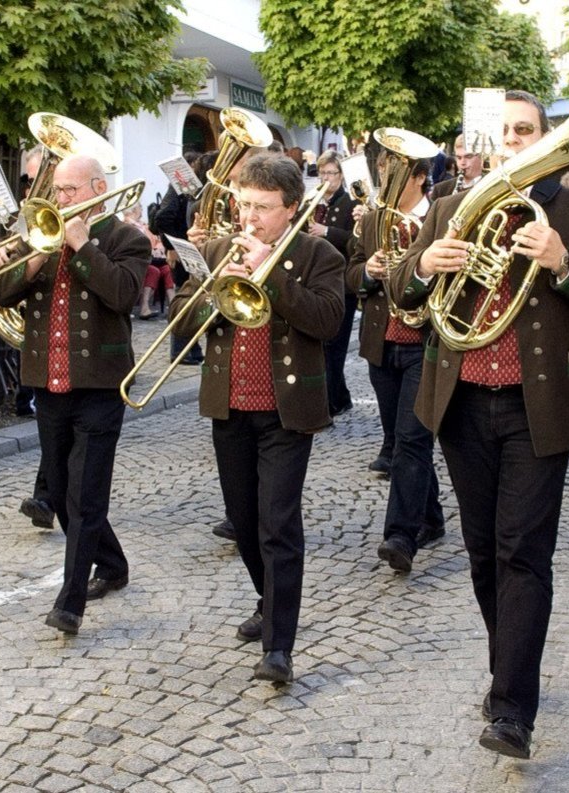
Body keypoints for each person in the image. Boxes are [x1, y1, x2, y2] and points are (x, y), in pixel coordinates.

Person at [393, 89, 569, 758]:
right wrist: (424, 266)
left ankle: (512, 706)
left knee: (522, 549)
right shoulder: (450, 206)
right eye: (504, 132)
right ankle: (513, 667)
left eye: (526, 130)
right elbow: (398, 291)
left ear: (546, 137)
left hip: (541, 406)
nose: (514, 141)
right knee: (482, 550)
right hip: (463, 401)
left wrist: (563, 260)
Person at [169, 152, 342, 684]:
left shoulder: (318, 254)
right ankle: (268, 601)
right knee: (244, 522)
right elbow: (180, 316)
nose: (250, 218)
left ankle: (279, 646)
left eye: (263, 208)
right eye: (245, 205)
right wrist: (212, 293)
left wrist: (270, 272)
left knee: (277, 524)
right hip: (230, 404)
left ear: (290, 208)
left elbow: (327, 321)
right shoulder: (219, 248)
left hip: (286, 411)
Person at [0, 154, 144, 635]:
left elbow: (122, 295)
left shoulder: (126, 239)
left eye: (70, 190)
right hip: (48, 383)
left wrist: (81, 245)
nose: (60, 199)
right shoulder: (40, 235)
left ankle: (70, 602)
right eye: (57, 190)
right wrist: (30, 258)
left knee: (86, 494)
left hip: (101, 386)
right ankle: (113, 563)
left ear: (98, 186)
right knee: (58, 492)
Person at [349, 144, 445, 573]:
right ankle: (432, 516)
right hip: (381, 341)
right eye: (382, 172)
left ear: (421, 177)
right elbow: (348, 275)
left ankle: (400, 535)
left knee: (411, 439)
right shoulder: (372, 220)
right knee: (401, 435)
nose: (385, 182)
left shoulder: (442, 217)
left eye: (396, 174)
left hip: (425, 343)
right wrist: (368, 271)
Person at [309, 152, 358, 419]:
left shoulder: (350, 202)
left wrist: (326, 232)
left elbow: (355, 240)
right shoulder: (314, 200)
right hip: (316, 279)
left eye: (331, 174)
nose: (326, 179)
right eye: (323, 173)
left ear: (341, 176)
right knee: (323, 343)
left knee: (335, 345)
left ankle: (330, 403)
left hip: (342, 282)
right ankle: (341, 397)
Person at [433, 134, 486, 200]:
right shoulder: (440, 190)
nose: (462, 163)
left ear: (481, 157)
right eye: (459, 158)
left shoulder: (491, 186)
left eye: (468, 157)